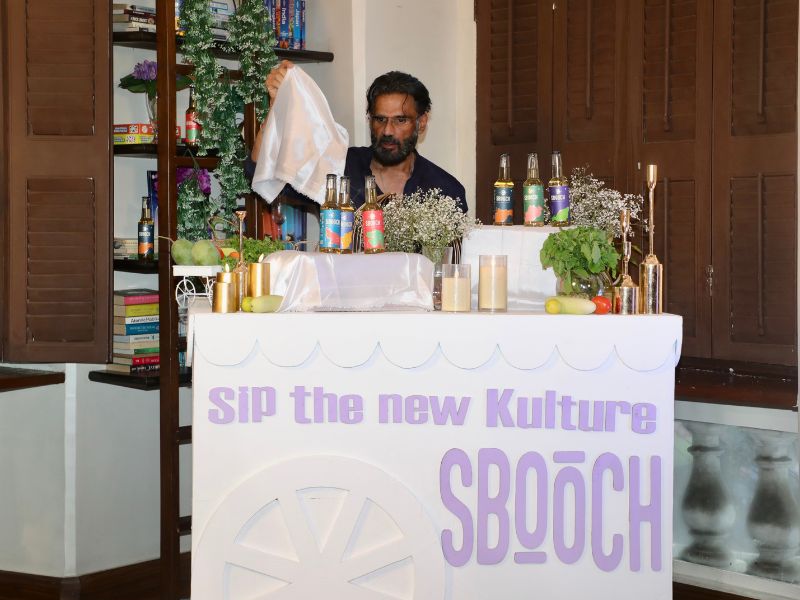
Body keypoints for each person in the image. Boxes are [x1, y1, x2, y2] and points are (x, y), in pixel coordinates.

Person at [249, 61, 467, 212]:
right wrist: (277, 104)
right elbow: (261, 169)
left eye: (400, 120)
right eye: (380, 119)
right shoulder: (336, 167)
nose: (387, 131)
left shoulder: (446, 190)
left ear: (422, 122)